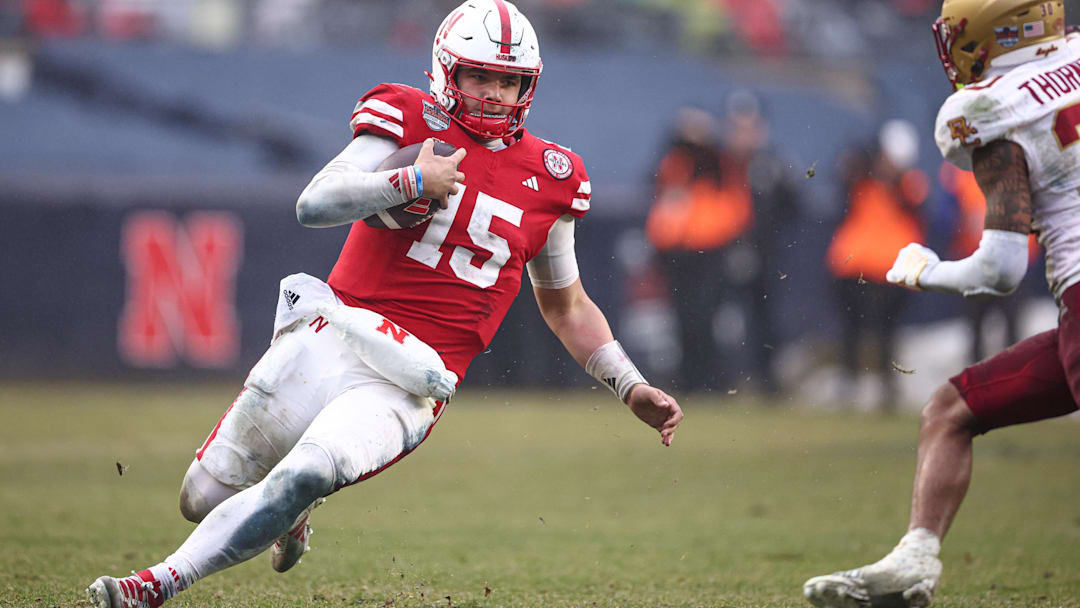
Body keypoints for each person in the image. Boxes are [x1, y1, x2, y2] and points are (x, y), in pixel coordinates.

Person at [86, 2, 683, 606]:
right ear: (446, 71)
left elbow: (567, 305)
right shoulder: (406, 115)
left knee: (308, 471)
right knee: (201, 497)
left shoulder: (555, 175)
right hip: (334, 332)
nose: (495, 94)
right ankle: (290, 514)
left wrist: (629, 385)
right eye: (480, 76)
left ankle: (155, 585)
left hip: (412, 377)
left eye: (509, 81)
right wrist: (409, 181)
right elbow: (313, 204)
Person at [805, 1, 1077, 606]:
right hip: (1072, 320)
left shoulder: (990, 109)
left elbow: (1002, 269)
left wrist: (929, 272)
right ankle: (914, 560)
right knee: (951, 407)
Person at [824, 120, 929, 411]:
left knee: (887, 333)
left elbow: (915, 207)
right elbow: (843, 180)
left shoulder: (909, 184)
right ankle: (849, 386)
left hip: (890, 271)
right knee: (852, 330)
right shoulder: (862, 179)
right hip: (854, 267)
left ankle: (886, 389)